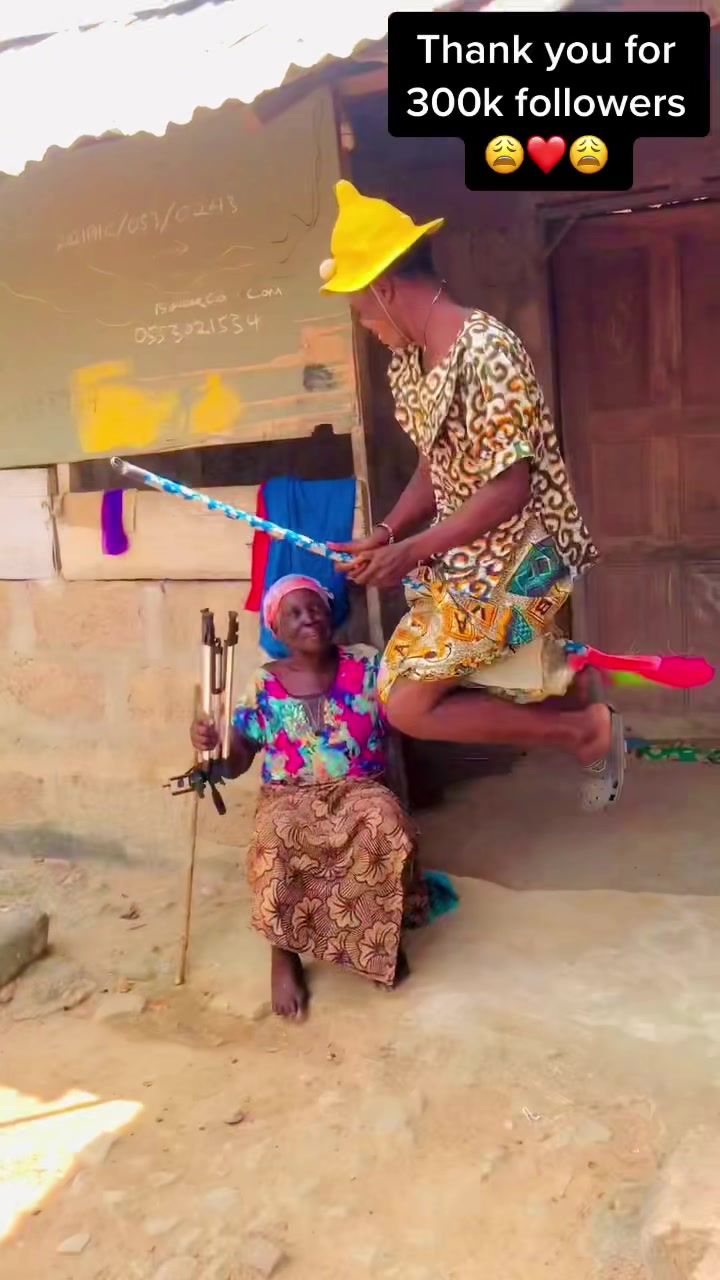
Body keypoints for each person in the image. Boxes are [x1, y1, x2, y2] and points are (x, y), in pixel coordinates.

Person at [320, 181, 624, 812]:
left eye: (362, 311)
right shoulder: (412, 361)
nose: (367, 326)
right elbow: (438, 465)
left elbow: (510, 488)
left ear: (385, 288)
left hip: (525, 562)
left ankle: (583, 729)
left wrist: (412, 551)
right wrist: (386, 532)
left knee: (407, 702)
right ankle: (575, 700)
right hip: (466, 561)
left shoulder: (487, 352)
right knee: (418, 687)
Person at [190, 574, 428, 1019]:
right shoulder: (264, 683)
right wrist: (213, 745)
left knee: (383, 821)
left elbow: (406, 710)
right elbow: (236, 759)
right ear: (276, 630)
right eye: (294, 613)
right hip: (289, 797)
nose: (308, 618)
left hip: (359, 789)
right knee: (276, 835)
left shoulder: (367, 664)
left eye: (315, 608)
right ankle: (284, 954)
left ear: (331, 614)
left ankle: (378, 943)